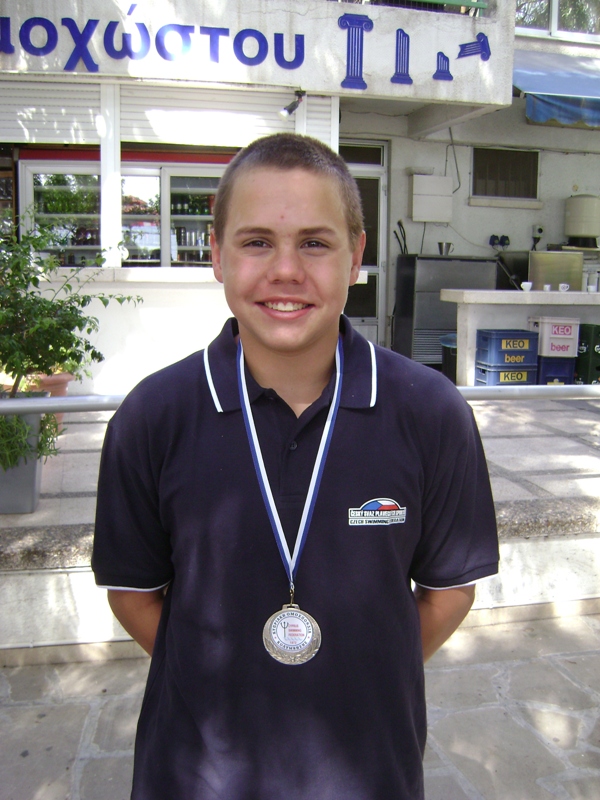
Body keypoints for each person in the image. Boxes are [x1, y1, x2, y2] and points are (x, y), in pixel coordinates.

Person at [92, 132, 498, 800]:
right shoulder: (152, 417)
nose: (285, 270)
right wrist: (228, 677)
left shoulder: (431, 412)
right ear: (217, 255)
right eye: (256, 242)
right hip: (198, 776)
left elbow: (449, 591)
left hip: (367, 773)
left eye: (314, 243)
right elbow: (134, 594)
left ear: (355, 257)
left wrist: (352, 673)